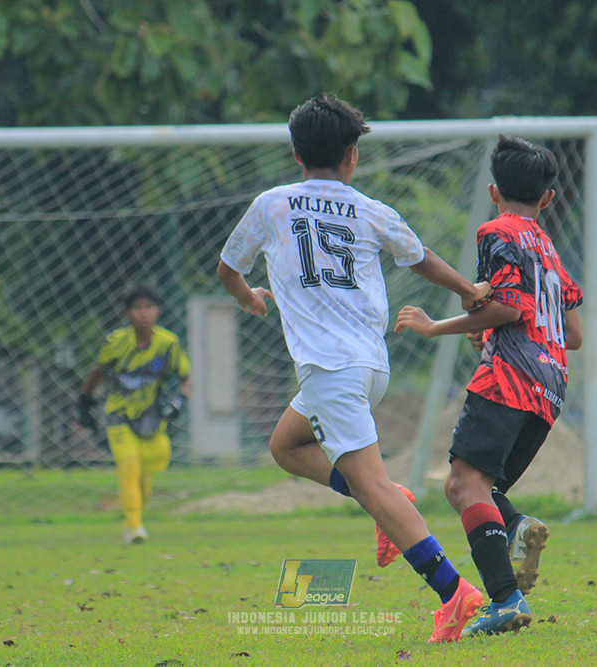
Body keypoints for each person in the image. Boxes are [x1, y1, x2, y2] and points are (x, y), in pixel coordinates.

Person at [217, 93, 492, 643]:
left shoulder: (271, 205)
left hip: (329, 372)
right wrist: (468, 289)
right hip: (370, 366)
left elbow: (227, 269)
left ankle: (453, 592)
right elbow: (423, 260)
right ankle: (389, 494)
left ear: (296, 154)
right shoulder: (370, 209)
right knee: (286, 446)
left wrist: (248, 295)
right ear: (352, 156)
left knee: (370, 489)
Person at [394, 134, 584, 637]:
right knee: (484, 488)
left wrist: (437, 327)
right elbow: (574, 334)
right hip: (551, 387)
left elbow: (510, 308)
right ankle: (517, 526)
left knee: (462, 484)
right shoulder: (547, 248)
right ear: (547, 199)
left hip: (509, 379)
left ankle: (504, 600)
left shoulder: (495, 230)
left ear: (493, 190)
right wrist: (498, 327)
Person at [77, 284, 191, 545]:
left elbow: (185, 377)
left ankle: (133, 521)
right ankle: (136, 527)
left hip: (151, 417)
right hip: (118, 415)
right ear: (127, 313)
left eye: (149, 307)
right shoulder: (115, 343)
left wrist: (179, 401)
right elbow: (97, 371)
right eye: (137, 308)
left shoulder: (168, 343)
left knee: (144, 475)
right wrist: (84, 400)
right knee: (128, 467)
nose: (144, 313)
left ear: (158, 311)